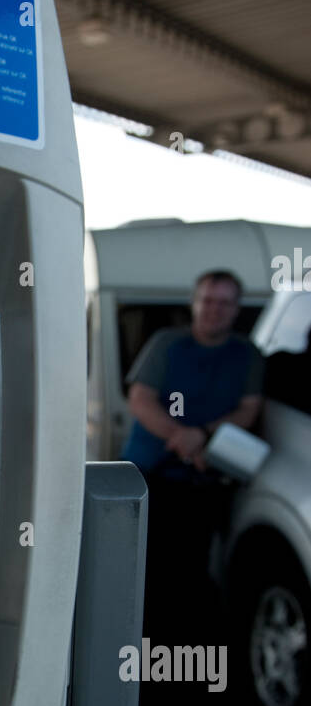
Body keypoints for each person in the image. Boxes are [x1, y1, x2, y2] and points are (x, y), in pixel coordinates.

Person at [121, 270, 264, 636]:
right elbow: (141, 399)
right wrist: (182, 436)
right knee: (142, 568)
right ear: (194, 303)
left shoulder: (247, 354)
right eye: (208, 300)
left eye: (224, 302)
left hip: (204, 479)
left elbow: (248, 409)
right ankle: (138, 650)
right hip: (150, 477)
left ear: (236, 310)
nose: (214, 309)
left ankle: (183, 657)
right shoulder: (167, 343)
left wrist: (202, 436)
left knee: (192, 571)